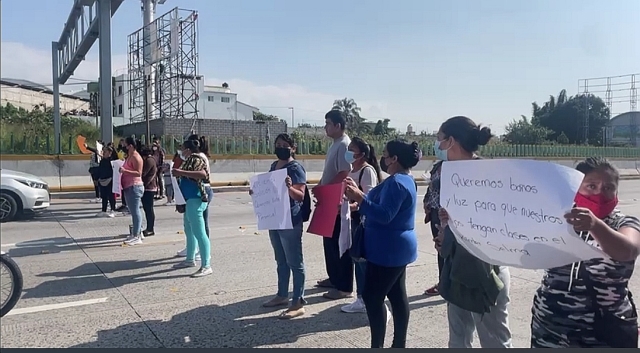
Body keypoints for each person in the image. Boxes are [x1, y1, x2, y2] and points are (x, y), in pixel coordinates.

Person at [530, 157, 640, 348]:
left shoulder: (625, 223)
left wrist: (595, 226)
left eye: (608, 188)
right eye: (591, 186)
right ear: (575, 188)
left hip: (603, 332)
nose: (599, 193)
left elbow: (628, 250)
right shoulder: (557, 218)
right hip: (550, 328)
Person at [434, 116, 512, 348]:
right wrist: (445, 231)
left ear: (451, 141)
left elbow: (502, 221)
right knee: (458, 339)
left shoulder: (488, 175)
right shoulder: (447, 173)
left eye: (439, 140)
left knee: (494, 340)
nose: (437, 146)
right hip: (457, 268)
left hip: (487, 270)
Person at [344, 138, 419, 348]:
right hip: (394, 247)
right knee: (396, 295)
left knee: (372, 297)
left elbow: (385, 215)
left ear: (395, 158)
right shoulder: (404, 178)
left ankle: (378, 345)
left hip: (388, 249)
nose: (382, 159)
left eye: (385, 155)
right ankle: (398, 344)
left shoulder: (396, 183)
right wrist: (361, 200)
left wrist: (360, 197)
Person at [252, 133, 308, 319]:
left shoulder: (295, 168)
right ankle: (282, 295)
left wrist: (289, 187)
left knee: (294, 261)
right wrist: (256, 192)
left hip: (289, 220)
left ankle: (298, 301)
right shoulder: (274, 166)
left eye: (285, 145)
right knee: (281, 260)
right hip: (274, 219)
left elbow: (300, 195)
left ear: (293, 148)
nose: (280, 147)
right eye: (278, 144)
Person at [340, 137, 383, 314]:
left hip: (362, 220)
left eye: (352, 149)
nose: (348, 152)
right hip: (352, 219)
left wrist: (351, 206)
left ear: (362, 154)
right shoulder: (352, 170)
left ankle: (364, 298)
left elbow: (368, 198)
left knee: (362, 260)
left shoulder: (367, 171)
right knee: (356, 258)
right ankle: (362, 297)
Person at [315, 110, 353, 300]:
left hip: (337, 200)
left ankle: (344, 286)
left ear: (338, 125)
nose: (326, 127)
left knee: (339, 243)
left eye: (328, 123)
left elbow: (344, 173)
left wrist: (325, 190)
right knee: (328, 241)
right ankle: (333, 277)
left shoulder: (344, 145)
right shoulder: (334, 144)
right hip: (328, 197)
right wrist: (320, 187)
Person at [172, 139, 212, 277]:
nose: (181, 151)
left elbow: (202, 174)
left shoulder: (196, 158)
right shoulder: (189, 159)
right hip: (188, 199)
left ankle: (206, 265)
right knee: (189, 230)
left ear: (188, 149)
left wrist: (181, 172)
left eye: (182, 148)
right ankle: (190, 258)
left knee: (199, 232)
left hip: (196, 198)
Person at [423, 159, 444, 296]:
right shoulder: (438, 165)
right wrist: (426, 201)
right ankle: (443, 282)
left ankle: (449, 284)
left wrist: (435, 183)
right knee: (440, 248)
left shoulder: (458, 165)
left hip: (448, 214)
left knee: (450, 250)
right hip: (435, 212)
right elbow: (430, 188)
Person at [120, 137, 145, 246]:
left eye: (126, 145)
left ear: (130, 146)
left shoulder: (136, 157)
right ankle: (135, 233)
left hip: (135, 186)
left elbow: (138, 173)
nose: (124, 147)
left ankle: (137, 235)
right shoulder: (129, 156)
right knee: (133, 211)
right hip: (128, 186)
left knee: (135, 212)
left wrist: (125, 171)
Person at [95, 145, 118, 217]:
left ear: (110, 152)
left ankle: (113, 210)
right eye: (103, 151)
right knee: (104, 196)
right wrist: (97, 178)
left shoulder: (113, 161)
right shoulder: (102, 161)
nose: (103, 153)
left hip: (110, 180)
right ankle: (103, 210)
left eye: (105, 151)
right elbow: (99, 170)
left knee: (111, 196)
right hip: (102, 181)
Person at [140, 145, 158, 237]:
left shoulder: (149, 161)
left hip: (149, 187)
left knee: (149, 209)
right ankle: (149, 228)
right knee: (148, 209)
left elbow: (143, 173)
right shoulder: (151, 159)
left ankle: (150, 229)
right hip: (150, 187)